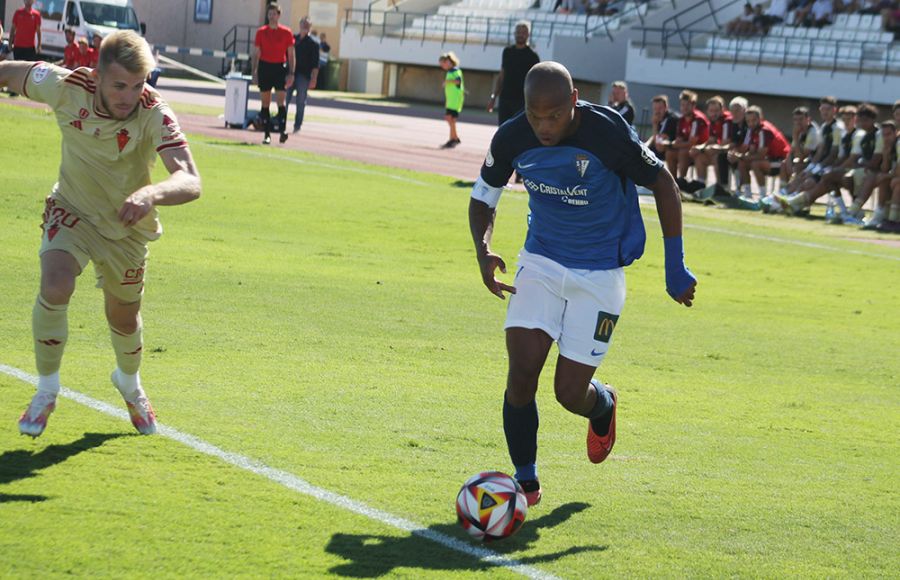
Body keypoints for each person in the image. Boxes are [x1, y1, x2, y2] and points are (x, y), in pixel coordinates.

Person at [467, 61, 697, 506]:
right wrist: (483, 248)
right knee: (521, 375)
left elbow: (664, 183)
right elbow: (482, 198)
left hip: (599, 275)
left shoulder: (607, 132)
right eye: (535, 116)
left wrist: (675, 266)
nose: (543, 126)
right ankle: (526, 484)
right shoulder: (513, 136)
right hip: (541, 263)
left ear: (574, 101)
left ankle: (603, 404)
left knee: (569, 393)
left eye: (553, 116)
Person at [0, 30, 202, 438]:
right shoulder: (64, 86)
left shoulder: (154, 112)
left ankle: (129, 383)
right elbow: (6, 73)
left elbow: (190, 179)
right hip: (71, 210)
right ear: (96, 76)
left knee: (123, 319)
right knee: (56, 285)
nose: (129, 95)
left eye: (138, 83)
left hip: (127, 228)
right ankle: (46, 389)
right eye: (119, 85)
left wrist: (152, 193)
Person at [777, 103, 878, 222]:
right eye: (844, 119)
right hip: (843, 167)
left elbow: (852, 158)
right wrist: (817, 167)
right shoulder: (841, 133)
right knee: (812, 174)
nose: (846, 122)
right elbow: (838, 156)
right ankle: (790, 200)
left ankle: (793, 202)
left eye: (849, 119)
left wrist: (830, 169)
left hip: (858, 170)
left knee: (818, 179)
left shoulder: (856, 134)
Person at [252, 3, 296, 145]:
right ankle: (267, 134)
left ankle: (282, 131)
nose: (272, 16)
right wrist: (255, 71)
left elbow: (291, 54)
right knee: (265, 102)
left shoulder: (286, 32)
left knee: (280, 101)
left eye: (274, 14)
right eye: (269, 14)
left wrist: (291, 72)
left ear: (279, 15)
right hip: (265, 67)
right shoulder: (261, 32)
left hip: (279, 68)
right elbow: (256, 53)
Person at [487, 21, 540, 126]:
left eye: (523, 32)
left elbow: (536, 81)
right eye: (518, 32)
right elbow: (502, 75)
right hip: (505, 98)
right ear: (514, 33)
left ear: (528, 35)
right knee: (503, 129)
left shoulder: (532, 56)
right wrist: (494, 97)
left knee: (518, 130)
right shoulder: (507, 52)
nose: (520, 35)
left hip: (522, 101)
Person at [734, 105, 790, 199]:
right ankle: (747, 194)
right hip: (769, 160)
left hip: (782, 161)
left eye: (754, 120)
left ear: (760, 118)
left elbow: (760, 155)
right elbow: (752, 151)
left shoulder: (764, 130)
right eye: (748, 121)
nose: (751, 123)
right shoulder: (752, 130)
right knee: (742, 163)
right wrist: (739, 156)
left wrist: (740, 156)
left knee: (756, 164)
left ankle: (763, 196)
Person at [687, 95, 733, 192]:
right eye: (711, 111)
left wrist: (706, 148)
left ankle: (721, 188)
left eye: (716, 111)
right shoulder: (713, 122)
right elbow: (711, 140)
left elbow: (725, 144)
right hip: (720, 151)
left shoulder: (727, 121)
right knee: (699, 156)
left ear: (722, 109)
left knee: (717, 156)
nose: (713, 113)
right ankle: (701, 185)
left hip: (730, 153)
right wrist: (699, 148)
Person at [667, 89, 709, 188]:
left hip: (702, 150)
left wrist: (674, 144)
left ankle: (681, 181)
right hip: (689, 149)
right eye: (682, 105)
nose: (684, 108)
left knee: (683, 150)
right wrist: (673, 144)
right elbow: (680, 138)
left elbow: (691, 142)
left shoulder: (697, 119)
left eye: (687, 105)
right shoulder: (682, 119)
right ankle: (673, 182)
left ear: (693, 106)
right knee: (670, 153)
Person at [286, 17, 318, 135]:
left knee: (300, 101)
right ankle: (281, 122)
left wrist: (314, 78)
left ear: (310, 27)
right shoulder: (293, 39)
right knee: (285, 98)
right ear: (299, 25)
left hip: (303, 76)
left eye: (307, 25)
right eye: (303, 24)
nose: (305, 26)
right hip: (290, 73)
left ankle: (297, 125)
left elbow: (315, 64)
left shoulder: (313, 44)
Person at [439, 51, 463, 148]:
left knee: (450, 118)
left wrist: (447, 81)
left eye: (445, 63)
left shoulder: (455, 71)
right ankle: (454, 138)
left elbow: (458, 81)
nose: (443, 65)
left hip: (455, 100)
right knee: (450, 119)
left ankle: (453, 139)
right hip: (451, 100)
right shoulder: (450, 71)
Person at [645, 94, 679, 162]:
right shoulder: (661, 118)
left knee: (645, 155)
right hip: (665, 148)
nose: (657, 111)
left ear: (666, 107)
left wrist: (655, 124)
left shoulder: (670, 119)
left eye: (660, 108)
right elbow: (655, 137)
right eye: (655, 109)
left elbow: (660, 147)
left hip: (674, 150)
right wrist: (645, 145)